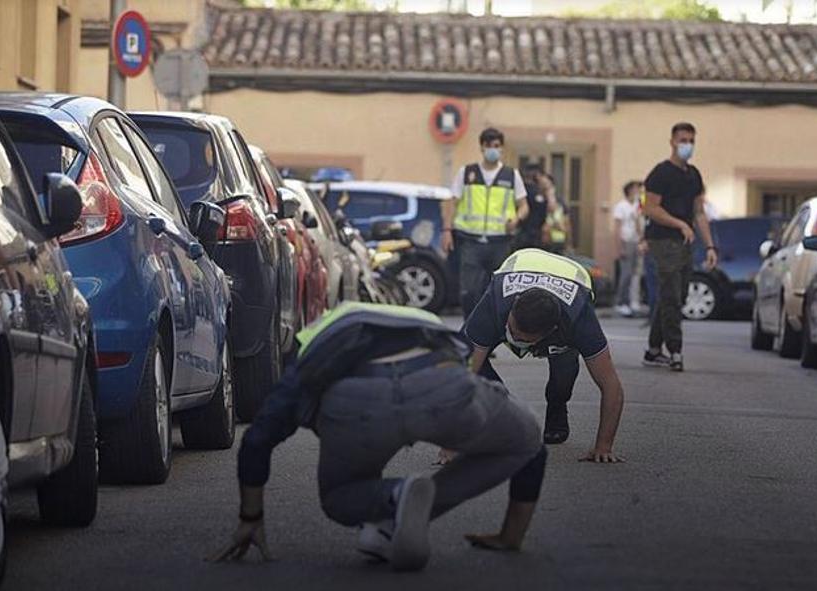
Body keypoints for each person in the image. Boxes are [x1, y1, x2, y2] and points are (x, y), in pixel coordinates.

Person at [209, 302, 548, 572]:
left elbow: (257, 439)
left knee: (340, 497)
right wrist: (510, 536)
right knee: (526, 439)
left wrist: (250, 518)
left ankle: (397, 498)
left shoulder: (311, 345)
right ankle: (507, 535)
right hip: (438, 382)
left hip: (356, 403)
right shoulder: (419, 318)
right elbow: (534, 449)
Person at [462, 248, 625, 455]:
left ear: (550, 332)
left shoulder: (578, 319)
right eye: (512, 330)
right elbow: (461, 377)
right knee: (468, 359)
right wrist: (449, 446)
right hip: (522, 263)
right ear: (513, 308)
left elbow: (611, 386)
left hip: (572, 278)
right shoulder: (494, 304)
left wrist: (604, 447)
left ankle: (557, 405)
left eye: (523, 339)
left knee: (563, 373)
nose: (515, 338)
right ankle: (504, 412)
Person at [641, 122, 718, 372]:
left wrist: (710, 246)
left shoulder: (694, 175)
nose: (687, 145)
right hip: (662, 240)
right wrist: (678, 224)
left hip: (685, 243)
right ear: (672, 141)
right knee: (671, 296)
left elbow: (699, 212)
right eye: (683, 140)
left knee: (677, 295)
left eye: (691, 141)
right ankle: (675, 351)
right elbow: (650, 208)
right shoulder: (660, 173)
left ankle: (653, 350)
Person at [442, 128, 529, 316]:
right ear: (481, 147)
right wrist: (447, 230)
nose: (492, 149)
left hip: (500, 242)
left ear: (502, 149)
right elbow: (452, 203)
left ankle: (492, 331)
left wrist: (517, 219)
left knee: (499, 291)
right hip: (470, 241)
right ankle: (470, 332)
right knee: (469, 292)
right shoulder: (467, 173)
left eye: (496, 146)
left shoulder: (511, 175)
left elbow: (524, 206)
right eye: (488, 145)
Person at [613, 181, 644, 317]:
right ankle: (621, 302)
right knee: (625, 274)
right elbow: (617, 227)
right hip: (625, 241)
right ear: (630, 190)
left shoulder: (637, 206)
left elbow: (638, 223)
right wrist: (619, 247)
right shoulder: (621, 206)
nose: (638, 191)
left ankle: (634, 302)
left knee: (636, 273)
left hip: (636, 241)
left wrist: (642, 239)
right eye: (636, 189)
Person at [514, 165, 550, 251]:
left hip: (520, 233)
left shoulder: (520, 192)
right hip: (536, 234)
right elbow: (544, 213)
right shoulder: (539, 193)